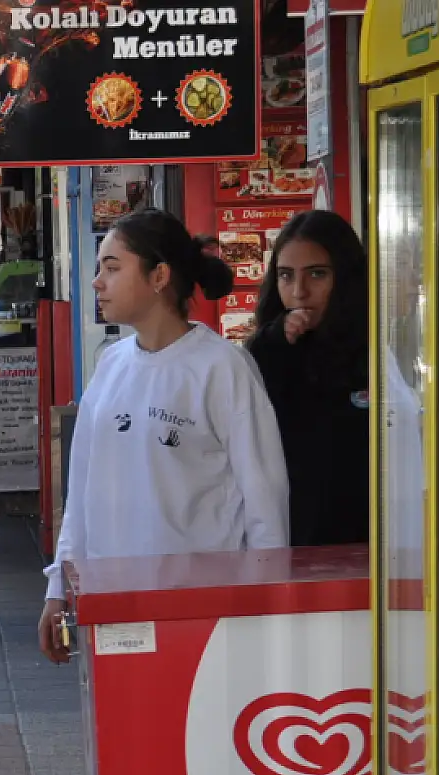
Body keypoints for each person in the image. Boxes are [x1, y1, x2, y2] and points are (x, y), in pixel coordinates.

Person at [37, 209, 288, 662]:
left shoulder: (221, 367)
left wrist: (267, 610)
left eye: (112, 268)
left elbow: (264, 499)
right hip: (113, 612)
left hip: (201, 616)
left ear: (159, 276)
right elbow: (81, 496)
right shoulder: (110, 366)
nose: (97, 282)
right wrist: (59, 587)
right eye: (99, 269)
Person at [243, 209, 370, 547]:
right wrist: (274, 345)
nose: (299, 291)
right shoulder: (265, 353)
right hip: (287, 543)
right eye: (286, 275)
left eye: (316, 274)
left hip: (371, 545)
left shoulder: (377, 349)